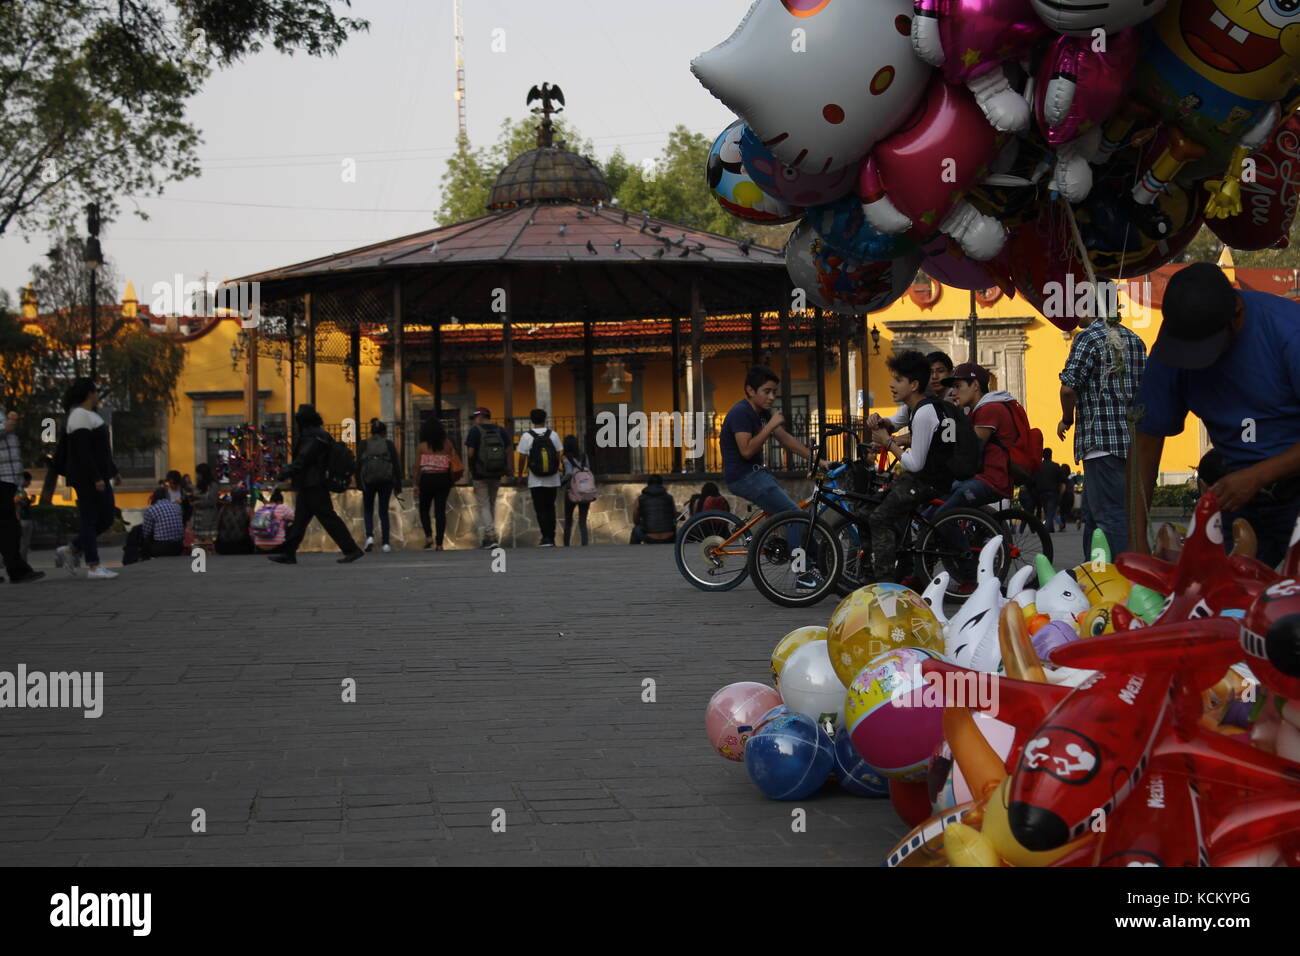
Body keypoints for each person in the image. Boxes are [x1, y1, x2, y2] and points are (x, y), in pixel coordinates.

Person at [1132, 262, 1300, 568]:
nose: (1198, 362)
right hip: (1236, 499)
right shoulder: (1177, 341)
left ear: (1236, 311)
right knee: (1217, 600)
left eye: (1207, 347)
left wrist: (1257, 475)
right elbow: (1146, 441)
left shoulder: (1289, 331)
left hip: (1290, 489)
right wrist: (1136, 537)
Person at [866, 351, 969, 584]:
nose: (891, 385)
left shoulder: (924, 413)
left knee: (879, 518)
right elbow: (894, 421)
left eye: (898, 380)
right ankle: (873, 571)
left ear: (913, 385)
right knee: (866, 510)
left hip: (928, 481)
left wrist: (888, 442)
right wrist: (880, 423)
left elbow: (915, 463)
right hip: (919, 479)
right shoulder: (916, 407)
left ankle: (885, 584)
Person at [1058, 307, 1147, 557]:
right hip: (1130, 441)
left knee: (1109, 516)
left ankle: (1126, 576)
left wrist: (1066, 418)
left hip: (1101, 441)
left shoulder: (1088, 338)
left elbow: (1068, 388)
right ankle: (1094, 569)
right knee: (1095, 516)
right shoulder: (1135, 339)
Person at [269, 403, 364, 565]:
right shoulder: (318, 434)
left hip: (313, 484)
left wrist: (286, 472)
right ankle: (289, 553)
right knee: (300, 520)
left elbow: (303, 459)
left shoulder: (313, 436)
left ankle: (352, 549)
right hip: (310, 484)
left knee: (328, 518)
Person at [931, 363, 1019, 518]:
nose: (954, 392)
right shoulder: (975, 411)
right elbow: (949, 444)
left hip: (990, 480)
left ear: (976, 385)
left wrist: (952, 416)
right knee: (932, 505)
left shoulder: (990, 409)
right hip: (978, 477)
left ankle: (959, 543)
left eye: (958, 386)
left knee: (942, 518)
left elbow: (970, 448)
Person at [54, 379, 120, 580]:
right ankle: (93, 565)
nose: (98, 395)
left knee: (106, 517)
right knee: (90, 519)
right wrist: (95, 477)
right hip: (88, 478)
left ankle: (73, 548)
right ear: (90, 393)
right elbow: (83, 452)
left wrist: (113, 471)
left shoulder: (89, 415)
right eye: (96, 391)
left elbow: (101, 451)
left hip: (100, 475)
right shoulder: (79, 416)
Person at [0, 408, 43, 583]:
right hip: (2, 477)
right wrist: (5, 426)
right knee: (8, 527)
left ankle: (17, 569)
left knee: (9, 527)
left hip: (8, 477)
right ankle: (17, 570)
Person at [516, 408, 565, 548]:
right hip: (552, 478)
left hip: (535, 479)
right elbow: (558, 454)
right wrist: (558, 468)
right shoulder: (553, 435)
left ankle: (546, 537)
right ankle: (552, 536)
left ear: (531, 420)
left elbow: (522, 457)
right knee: (550, 508)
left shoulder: (527, 436)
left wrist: (520, 475)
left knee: (540, 509)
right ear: (545, 419)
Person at [465, 407, 511, 548]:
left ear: (480, 417)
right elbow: (509, 449)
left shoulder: (475, 431)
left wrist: (471, 470)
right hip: (496, 472)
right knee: (491, 504)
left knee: (484, 504)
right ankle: (487, 537)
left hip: (480, 473)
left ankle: (491, 537)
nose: (474, 421)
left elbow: (471, 453)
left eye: (475, 418)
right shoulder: (501, 430)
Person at [357, 419, 403, 553]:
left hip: (369, 481)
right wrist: (398, 485)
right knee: (383, 511)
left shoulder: (364, 444)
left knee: (368, 510)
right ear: (384, 432)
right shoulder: (388, 444)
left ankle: (370, 537)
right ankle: (386, 543)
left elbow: (358, 464)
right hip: (386, 482)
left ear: (371, 432)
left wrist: (359, 482)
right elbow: (396, 464)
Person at [414, 417, 458, 551]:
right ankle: (439, 543)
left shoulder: (422, 446)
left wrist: (415, 484)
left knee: (424, 509)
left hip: (427, 479)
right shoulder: (447, 445)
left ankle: (428, 536)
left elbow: (416, 467)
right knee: (440, 511)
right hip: (443, 479)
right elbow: (453, 462)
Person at [125, 488, 185, 562]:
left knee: (138, 530)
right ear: (167, 496)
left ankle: (137, 558)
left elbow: (145, 533)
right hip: (178, 547)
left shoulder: (151, 510)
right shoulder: (177, 507)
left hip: (161, 548)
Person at [560, 434, 592, 547]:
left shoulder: (565, 457)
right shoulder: (584, 456)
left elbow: (568, 473)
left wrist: (561, 481)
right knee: (582, 521)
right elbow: (588, 469)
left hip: (571, 492)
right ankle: (584, 544)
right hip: (585, 491)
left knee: (568, 521)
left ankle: (566, 544)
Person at [630, 475, 677, 544]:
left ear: (648, 484)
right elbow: (674, 515)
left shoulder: (640, 499)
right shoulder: (669, 497)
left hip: (650, 538)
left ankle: (633, 552)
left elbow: (635, 520)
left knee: (636, 529)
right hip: (669, 537)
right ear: (661, 484)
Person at [188, 462, 220, 551]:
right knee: (199, 540)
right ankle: (201, 560)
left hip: (208, 516)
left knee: (208, 540)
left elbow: (212, 501)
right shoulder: (198, 485)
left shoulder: (213, 485)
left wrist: (199, 503)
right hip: (198, 516)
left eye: (198, 474)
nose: (197, 476)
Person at [214, 489, 255, 555]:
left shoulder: (223, 509)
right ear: (244, 499)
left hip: (223, 545)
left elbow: (217, 524)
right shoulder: (248, 510)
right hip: (242, 545)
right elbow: (254, 526)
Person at [1032, 449, 1063, 534]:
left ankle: (1050, 529)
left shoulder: (1038, 466)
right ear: (1051, 455)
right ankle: (1046, 530)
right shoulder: (1055, 466)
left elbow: (1034, 479)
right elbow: (1062, 479)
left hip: (1041, 492)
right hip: (1053, 492)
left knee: (1047, 511)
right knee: (1050, 512)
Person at [17, 471, 34, 565]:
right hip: (23, 519)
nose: (29, 483)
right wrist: (28, 501)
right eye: (29, 481)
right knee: (24, 543)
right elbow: (21, 503)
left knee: (23, 543)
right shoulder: (19, 491)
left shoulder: (20, 491)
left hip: (24, 519)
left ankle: (22, 562)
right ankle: (22, 562)